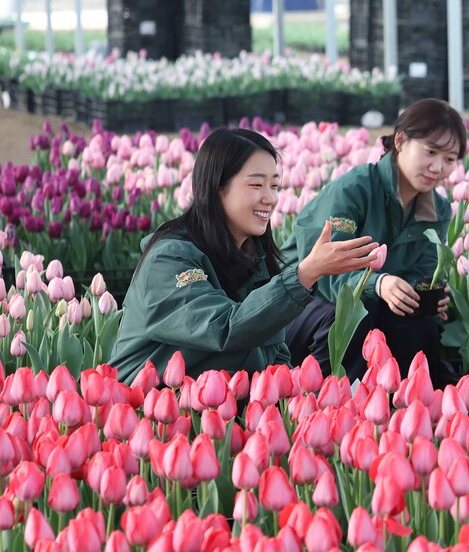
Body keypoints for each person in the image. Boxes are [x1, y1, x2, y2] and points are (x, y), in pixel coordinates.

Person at [110, 128, 379, 383]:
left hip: (213, 409)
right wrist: (302, 275)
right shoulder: (168, 259)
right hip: (147, 407)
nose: (270, 198)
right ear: (217, 188)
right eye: (256, 185)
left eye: (274, 186)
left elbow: (272, 346)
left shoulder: (252, 256)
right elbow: (224, 328)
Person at [284, 98, 466, 385]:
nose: (438, 167)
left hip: (373, 306)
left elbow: (423, 272)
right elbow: (320, 273)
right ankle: (319, 400)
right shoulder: (354, 190)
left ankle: (402, 408)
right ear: (401, 140)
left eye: (450, 159)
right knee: (351, 314)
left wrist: (428, 297)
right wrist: (379, 283)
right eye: (430, 152)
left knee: (419, 324)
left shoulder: (437, 211)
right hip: (301, 304)